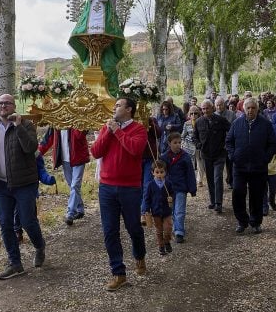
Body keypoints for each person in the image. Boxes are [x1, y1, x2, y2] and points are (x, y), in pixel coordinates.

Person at [0, 94, 46, 280]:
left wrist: (19, 126)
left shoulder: (27, 125)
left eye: (7, 103)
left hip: (25, 184)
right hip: (1, 185)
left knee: (28, 221)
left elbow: (31, 149)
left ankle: (39, 246)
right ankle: (15, 263)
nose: (3, 106)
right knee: (5, 224)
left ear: (14, 106)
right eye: (0, 103)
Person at [90, 97, 147, 292]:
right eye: (115, 105)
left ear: (129, 109)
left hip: (130, 188)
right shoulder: (108, 127)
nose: (114, 107)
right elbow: (96, 152)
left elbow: (134, 150)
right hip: (106, 187)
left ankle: (139, 256)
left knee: (134, 228)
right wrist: (108, 131)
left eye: (119, 105)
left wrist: (117, 131)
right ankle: (119, 273)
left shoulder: (139, 129)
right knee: (110, 232)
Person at [226, 98, 276, 234]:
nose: (250, 110)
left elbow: (273, 143)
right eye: (248, 108)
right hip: (240, 167)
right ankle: (242, 221)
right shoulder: (237, 123)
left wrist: (265, 158)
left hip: (258, 167)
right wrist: (233, 156)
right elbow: (229, 141)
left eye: (253, 108)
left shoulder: (265, 124)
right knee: (237, 193)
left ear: (257, 109)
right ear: (244, 109)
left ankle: (255, 222)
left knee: (257, 195)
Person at [68, 0, 125, 96]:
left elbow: (105, 2)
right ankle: (92, 65)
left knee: (104, 61)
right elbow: (87, 10)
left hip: (103, 24)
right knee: (91, 50)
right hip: (90, 24)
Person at [38, 127, 90, 226]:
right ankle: (80, 209)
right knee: (72, 185)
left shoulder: (78, 119)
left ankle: (70, 213)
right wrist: (37, 154)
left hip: (78, 157)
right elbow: (48, 139)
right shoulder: (56, 121)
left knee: (75, 185)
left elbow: (79, 135)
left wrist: (72, 122)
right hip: (65, 159)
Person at [194, 99, 230, 213]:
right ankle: (213, 201)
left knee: (217, 177)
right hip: (206, 155)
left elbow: (232, 131)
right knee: (210, 179)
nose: (205, 111)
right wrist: (199, 145)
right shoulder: (199, 122)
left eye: (207, 108)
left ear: (212, 108)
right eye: (203, 109)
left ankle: (219, 203)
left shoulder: (221, 120)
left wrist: (226, 144)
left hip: (220, 154)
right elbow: (195, 137)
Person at [160, 132, 196, 243]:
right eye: (175, 143)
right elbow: (160, 173)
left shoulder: (185, 157)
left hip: (181, 188)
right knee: (171, 210)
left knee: (179, 210)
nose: (178, 145)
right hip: (168, 189)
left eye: (179, 142)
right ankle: (171, 228)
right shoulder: (164, 157)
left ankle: (179, 231)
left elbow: (190, 173)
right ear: (169, 143)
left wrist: (192, 188)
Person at [142, 160, 174, 256]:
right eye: (157, 172)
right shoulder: (150, 185)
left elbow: (173, 193)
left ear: (165, 172)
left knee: (168, 228)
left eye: (161, 172)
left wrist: (171, 197)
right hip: (156, 212)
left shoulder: (168, 183)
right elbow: (147, 199)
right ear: (152, 173)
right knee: (159, 230)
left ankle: (167, 241)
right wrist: (147, 210)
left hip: (166, 211)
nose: (159, 174)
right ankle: (161, 246)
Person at [214, 96, 236, 189]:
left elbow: (234, 128)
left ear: (224, 104)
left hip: (229, 142)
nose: (219, 107)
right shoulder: (213, 115)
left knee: (230, 163)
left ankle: (231, 181)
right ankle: (219, 184)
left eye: (221, 105)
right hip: (218, 144)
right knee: (218, 167)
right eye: (217, 105)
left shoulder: (231, 114)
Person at [181, 106, 203, 188]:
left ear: (199, 114)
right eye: (191, 113)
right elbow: (183, 135)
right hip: (189, 147)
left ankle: (199, 180)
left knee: (201, 164)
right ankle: (192, 180)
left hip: (199, 147)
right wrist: (182, 143)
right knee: (191, 165)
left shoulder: (201, 122)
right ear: (189, 114)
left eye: (195, 113)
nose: (193, 115)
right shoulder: (186, 124)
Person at [263, 150, 276, 216]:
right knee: (263, 190)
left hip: (272, 172)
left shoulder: (274, 143)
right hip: (262, 172)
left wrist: (272, 165)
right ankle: (265, 207)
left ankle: (272, 202)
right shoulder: (259, 143)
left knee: (273, 190)